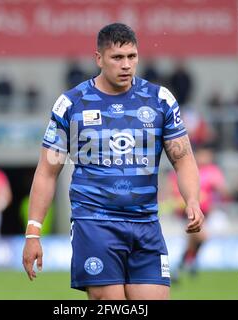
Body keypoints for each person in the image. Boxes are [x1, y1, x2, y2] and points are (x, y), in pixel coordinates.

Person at [22, 23, 204, 300]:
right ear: (98, 58)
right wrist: (33, 233)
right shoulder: (72, 105)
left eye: (132, 57)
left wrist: (192, 199)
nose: (126, 65)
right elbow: (47, 172)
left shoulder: (159, 100)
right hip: (95, 223)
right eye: (117, 58)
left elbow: (183, 159)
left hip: (145, 225)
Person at [165, 146, 228, 280]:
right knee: (200, 237)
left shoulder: (212, 171)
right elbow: (175, 192)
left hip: (206, 213)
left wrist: (217, 187)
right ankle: (186, 264)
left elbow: (223, 190)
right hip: (187, 212)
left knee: (194, 240)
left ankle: (183, 265)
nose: (205, 158)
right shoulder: (187, 170)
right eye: (203, 155)